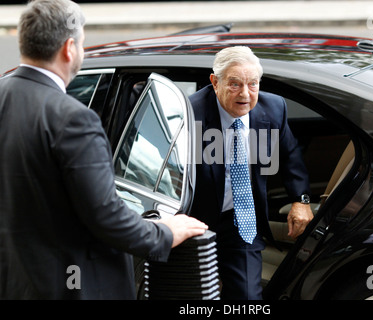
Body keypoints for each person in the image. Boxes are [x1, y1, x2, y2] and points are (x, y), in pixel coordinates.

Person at [0, 0, 207, 300]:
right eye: (83, 44)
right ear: (69, 48)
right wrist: (165, 232)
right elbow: (106, 217)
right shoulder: (73, 119)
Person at [189, 46, 313, 300]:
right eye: (235, 84)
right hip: (194, 221)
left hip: (242, 219)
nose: (245, 94)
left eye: (253, 84)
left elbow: (290, 155)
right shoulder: (190, 113)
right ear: (215, 82)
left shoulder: (274, 108)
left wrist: (300, 201)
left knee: (247, 297)